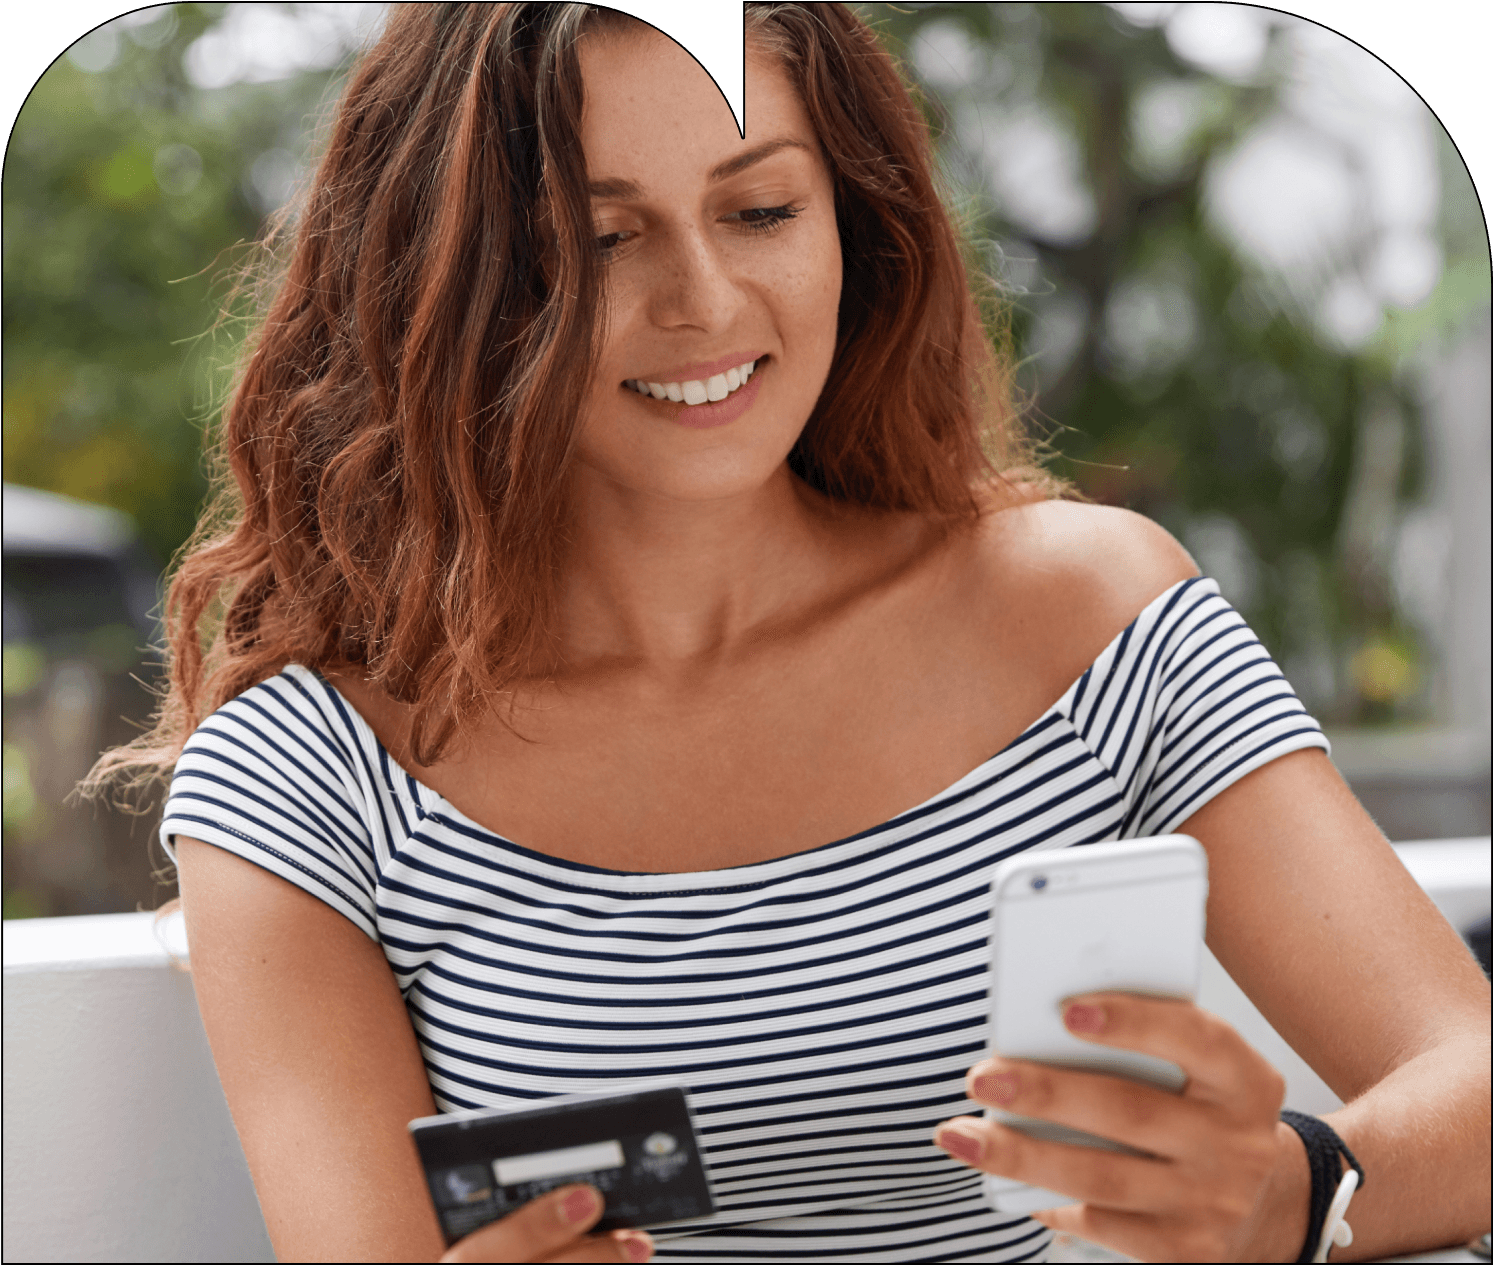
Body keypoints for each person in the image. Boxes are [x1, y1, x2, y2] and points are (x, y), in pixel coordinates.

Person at [88, 4, 1488, 1262]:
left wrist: (1298, 1196)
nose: (701, 299)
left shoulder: (1085, 616)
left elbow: (1470, 1072)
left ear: (852, 227)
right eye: (600, 235)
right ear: (447, 279)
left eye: (759, 210)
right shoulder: (309, 772)